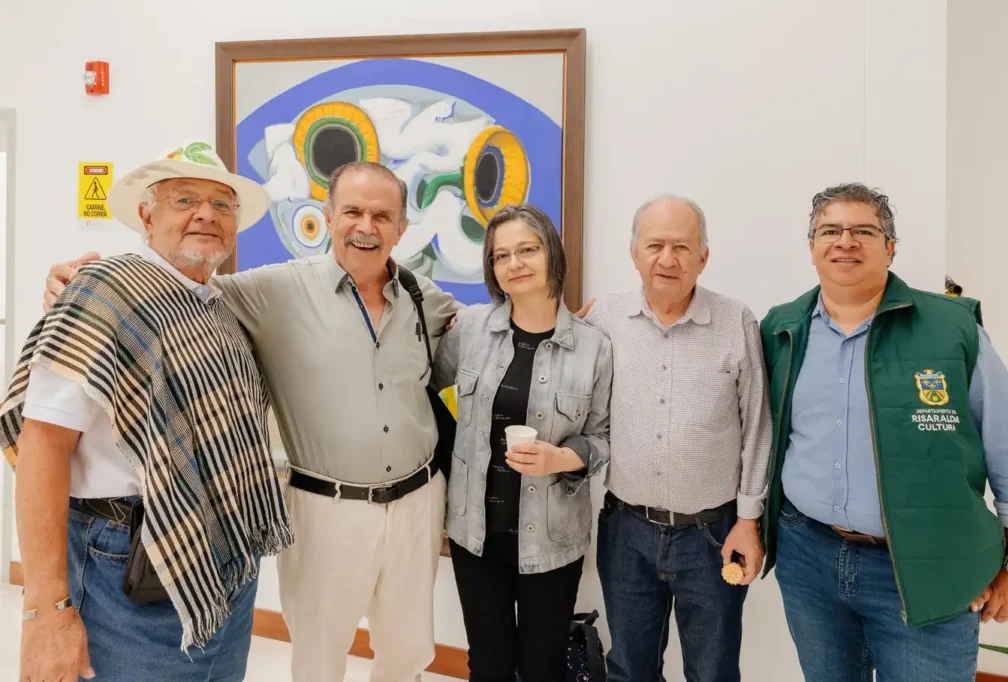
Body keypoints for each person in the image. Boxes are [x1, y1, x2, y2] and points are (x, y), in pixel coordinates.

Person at [43, 160, 461, 682]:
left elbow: (488, 331)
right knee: (319, 655)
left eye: (382, 216)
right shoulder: (272, 291)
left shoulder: (425, 298)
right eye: (352, 211)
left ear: (401, 227)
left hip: (418, 501)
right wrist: (78, 284)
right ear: (329, 217)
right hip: (324, 509)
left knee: (408, 651)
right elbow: (176, 283)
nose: (366, 227)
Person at [4, 140, 293, 682]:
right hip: (126, 568)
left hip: (221, 561)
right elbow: (43, 442)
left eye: (222, 204)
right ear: (146, 216)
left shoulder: (216, 305)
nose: (206, 213)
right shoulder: (103, 293)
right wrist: (46, 611)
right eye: (185, 199)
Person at [759, 183, 1008, 681]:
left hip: (927, 567)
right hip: (809, 559)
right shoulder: (782, 328)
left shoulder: (951, 328)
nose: (845, 241)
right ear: (812, 247)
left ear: (890, 246)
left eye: (863, 230)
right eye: (830, 231)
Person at [575, 195, 772, 682]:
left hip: (712, 535)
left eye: (682, 247)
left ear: (703, 256)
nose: (668, 259)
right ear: (634, 253)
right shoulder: (604, 318)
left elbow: (758, 426)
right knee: (629, 670)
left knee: (713, 672)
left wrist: (749, 521)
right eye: (655, 245)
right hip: (626, 531)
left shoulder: (736, 320)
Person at [431, 204, 613, 682]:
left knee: (542, 668)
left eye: (527, 250)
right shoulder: (470, 329)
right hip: (475, 534)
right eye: (501, 255)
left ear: (551, 252)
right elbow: (430, 393)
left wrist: (562, 457)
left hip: (552, 539)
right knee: (488, 666)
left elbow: (603, 437)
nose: (514, 263)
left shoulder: (594, 347)